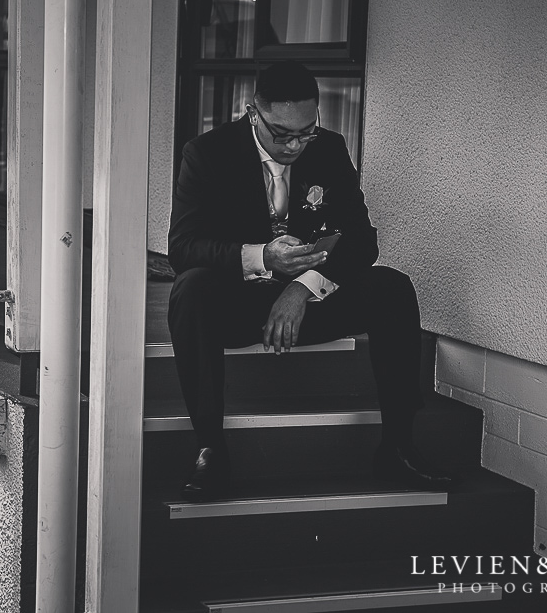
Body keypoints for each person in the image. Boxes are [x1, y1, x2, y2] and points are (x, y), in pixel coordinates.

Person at [168, 61, 452, 502]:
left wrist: (303, 288)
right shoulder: (206, 153)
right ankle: (210, 448)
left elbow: (362, 241)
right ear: (252, 112)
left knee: (392, 287)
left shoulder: (329, 150)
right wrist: (262, 257)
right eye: (282, 134)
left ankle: (398, 445)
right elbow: (183, 246)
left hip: (308, 304)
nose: (296, 145)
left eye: (306, 131)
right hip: (238, 303)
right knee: (190, 290)